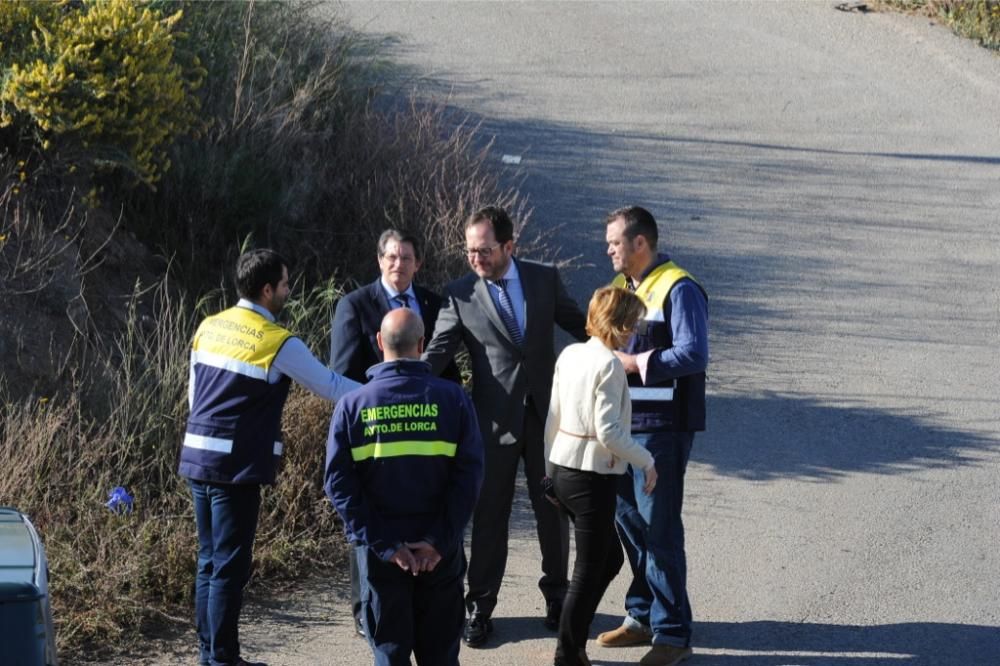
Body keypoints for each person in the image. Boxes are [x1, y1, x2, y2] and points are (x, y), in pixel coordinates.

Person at [179, 248, 361, 666]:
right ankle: (222, 660)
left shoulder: (210, 325)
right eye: (284, 284)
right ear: (266, 290)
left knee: (209, 561)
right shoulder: (277, 341)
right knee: (228, 568)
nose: (289, 290)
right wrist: (382, 390)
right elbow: (331, 386)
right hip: (234, 467)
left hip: (197, 457)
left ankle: (210, 654)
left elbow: (194, 396)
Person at [422, 205, 588, 647]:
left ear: (509, 246)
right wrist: (400, 382)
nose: (475, 258)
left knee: (552, 511)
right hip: (492, 425)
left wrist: (620, 348)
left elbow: (579, 325)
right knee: (489, 517)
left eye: (485, 250)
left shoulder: (542, 278)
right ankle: (479, 606)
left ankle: (557, 598)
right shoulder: (460, 294)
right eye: (469, 250)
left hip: (548, 420)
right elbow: (437, 353)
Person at [324, 308, 484, 666]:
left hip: (382, 557)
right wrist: (437, 540)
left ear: (379, 343)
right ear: (422, 345)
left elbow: (338, 485)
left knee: (390, 654)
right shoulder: (454, 399)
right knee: (440, 655)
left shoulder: (353, 405)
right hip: (439, 555)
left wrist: (386, 545)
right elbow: (470, 477)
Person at [329, 228, 459, 635]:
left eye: (405, 258)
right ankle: (364, 610)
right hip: (375, 434)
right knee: (368, 524)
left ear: (418, 263)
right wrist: (379, 406)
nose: (397, 264)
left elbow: (450, 373)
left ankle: (422, 599)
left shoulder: (436, 305)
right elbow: (342, 374)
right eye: (390, 257)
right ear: (378, 260)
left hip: (426, 435)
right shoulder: (354, 305)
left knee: (425, 516)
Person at [596, 206, 709, 666]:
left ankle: (673, 634)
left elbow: (693, 354)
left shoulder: (679, 288)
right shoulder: (623, 289)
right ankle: (641, 616)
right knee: (631, 527)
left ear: (640, 243)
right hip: (623, 429)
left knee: (659, 531)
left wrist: (636, 365)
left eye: (615, 243)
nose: (609, 250)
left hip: (661, 432)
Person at [544, 286, 659, 666]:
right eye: (632, 324)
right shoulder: (609, 365)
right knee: (589, 567)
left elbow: (553, 417)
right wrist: (645, 460)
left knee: (608, 558)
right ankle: (568, 652)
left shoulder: (571, 353)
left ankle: (573, 640)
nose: (635, 331)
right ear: (620, 323)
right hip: (591, 476)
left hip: (563, 469)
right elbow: (608, 431)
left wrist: (549, 473)